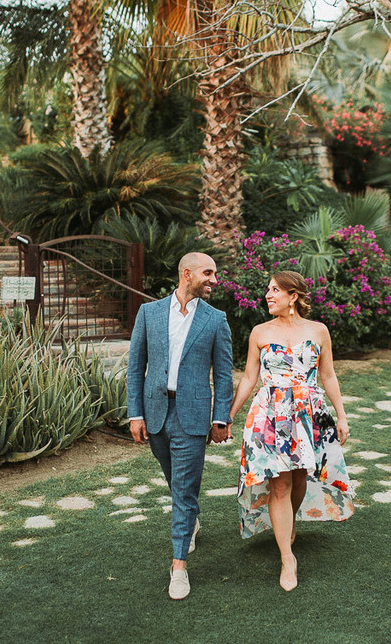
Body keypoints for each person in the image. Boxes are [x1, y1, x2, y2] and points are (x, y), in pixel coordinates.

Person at [228, 270, 354, 591]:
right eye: (268, 290)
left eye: (274, 290)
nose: (267, 295)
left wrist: (341, 416)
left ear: (293, 296)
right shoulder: (259, 332)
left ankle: (289, 522)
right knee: (279, 486)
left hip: (308, 412)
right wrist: (228, 414)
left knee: (299, 479)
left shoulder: (318, 330)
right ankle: (287, 557)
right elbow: (249, 377)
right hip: (270, 414)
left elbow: (328, 375)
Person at [126, 252, 233, 600]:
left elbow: (224, 374)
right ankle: (191, 521)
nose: (214, 280)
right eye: (208, 273)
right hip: (156, 412)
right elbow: (135, 367)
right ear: (187, 274)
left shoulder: (216, 320)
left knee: (184, 489)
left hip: (194, 414)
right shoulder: (149, 313)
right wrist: (135, 414)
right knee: (176, 481)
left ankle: (178, 567)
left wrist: (220, 417)